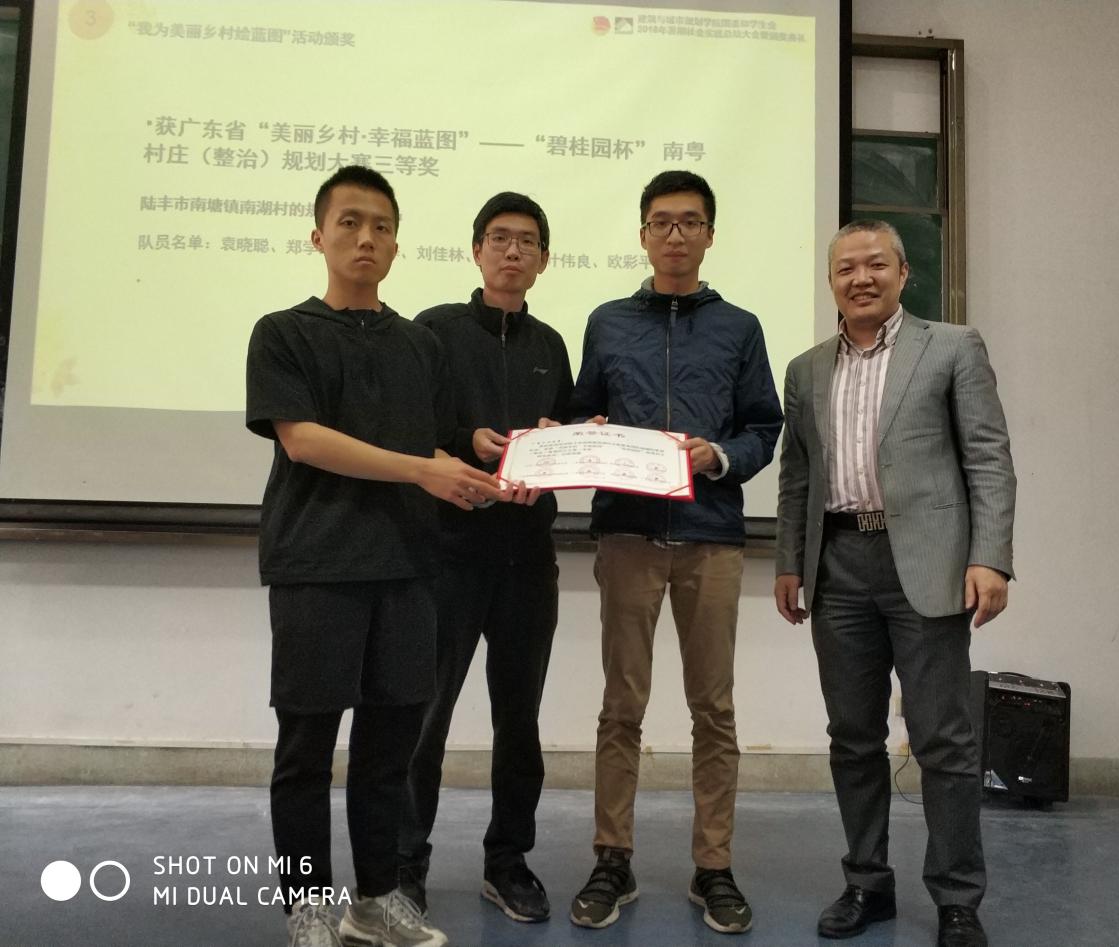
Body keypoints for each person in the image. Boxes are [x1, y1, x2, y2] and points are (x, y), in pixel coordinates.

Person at [246, 165, 529, 947]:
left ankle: (373, 902)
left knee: (387, 753)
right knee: (306, 752)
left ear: (398, 245)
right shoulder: (283, 332)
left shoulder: (417, 344)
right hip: (317, 566)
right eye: (349, 222)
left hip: (409, 569)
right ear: (319, 236)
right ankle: (307, 908)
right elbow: (304, 441)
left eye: (381, 226)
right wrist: (423, 469)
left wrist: (482, 474)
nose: (365, 238)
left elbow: (428, 447)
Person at [773, 219, 1016, 947]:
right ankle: (866, 883)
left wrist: (990, 556)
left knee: (943, 739)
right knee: (853, 736)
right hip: (838, 566)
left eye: (876, 264)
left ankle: (958, 899)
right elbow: (797, 476)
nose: (861, 278)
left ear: (904, 273)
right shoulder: (805, 370)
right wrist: (789, 561)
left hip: (929, 563)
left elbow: (988, 457)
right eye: (846, 268)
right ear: (831, 282)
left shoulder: (953, 348)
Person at [568, 170, 784, 935]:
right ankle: (612, 858)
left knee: (713, 709)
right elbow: (581, 414)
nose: (675, 234)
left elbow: (764, 427)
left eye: (690, 222)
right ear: (642, 234)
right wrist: (583, 437)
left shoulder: (740, 327)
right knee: (620, 706)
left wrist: (718, 456)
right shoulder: (606, 322)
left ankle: (713, 865)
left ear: (710, 235)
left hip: (710, 537)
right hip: (627, 535)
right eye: (662, 222)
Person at [397, 192, 573, 925]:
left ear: (543, 260)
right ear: (475, 251)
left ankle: (508, 862)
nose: (512, 251)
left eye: (526, 241)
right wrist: (466, 438)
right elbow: (408, 429)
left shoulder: (551, 345)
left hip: (528, 557)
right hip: (448, 554)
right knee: (423, 717)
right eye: (499, 238)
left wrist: (562, 444)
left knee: (519, 721)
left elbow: (562, 437)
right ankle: (405, 866)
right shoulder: (433, 331)